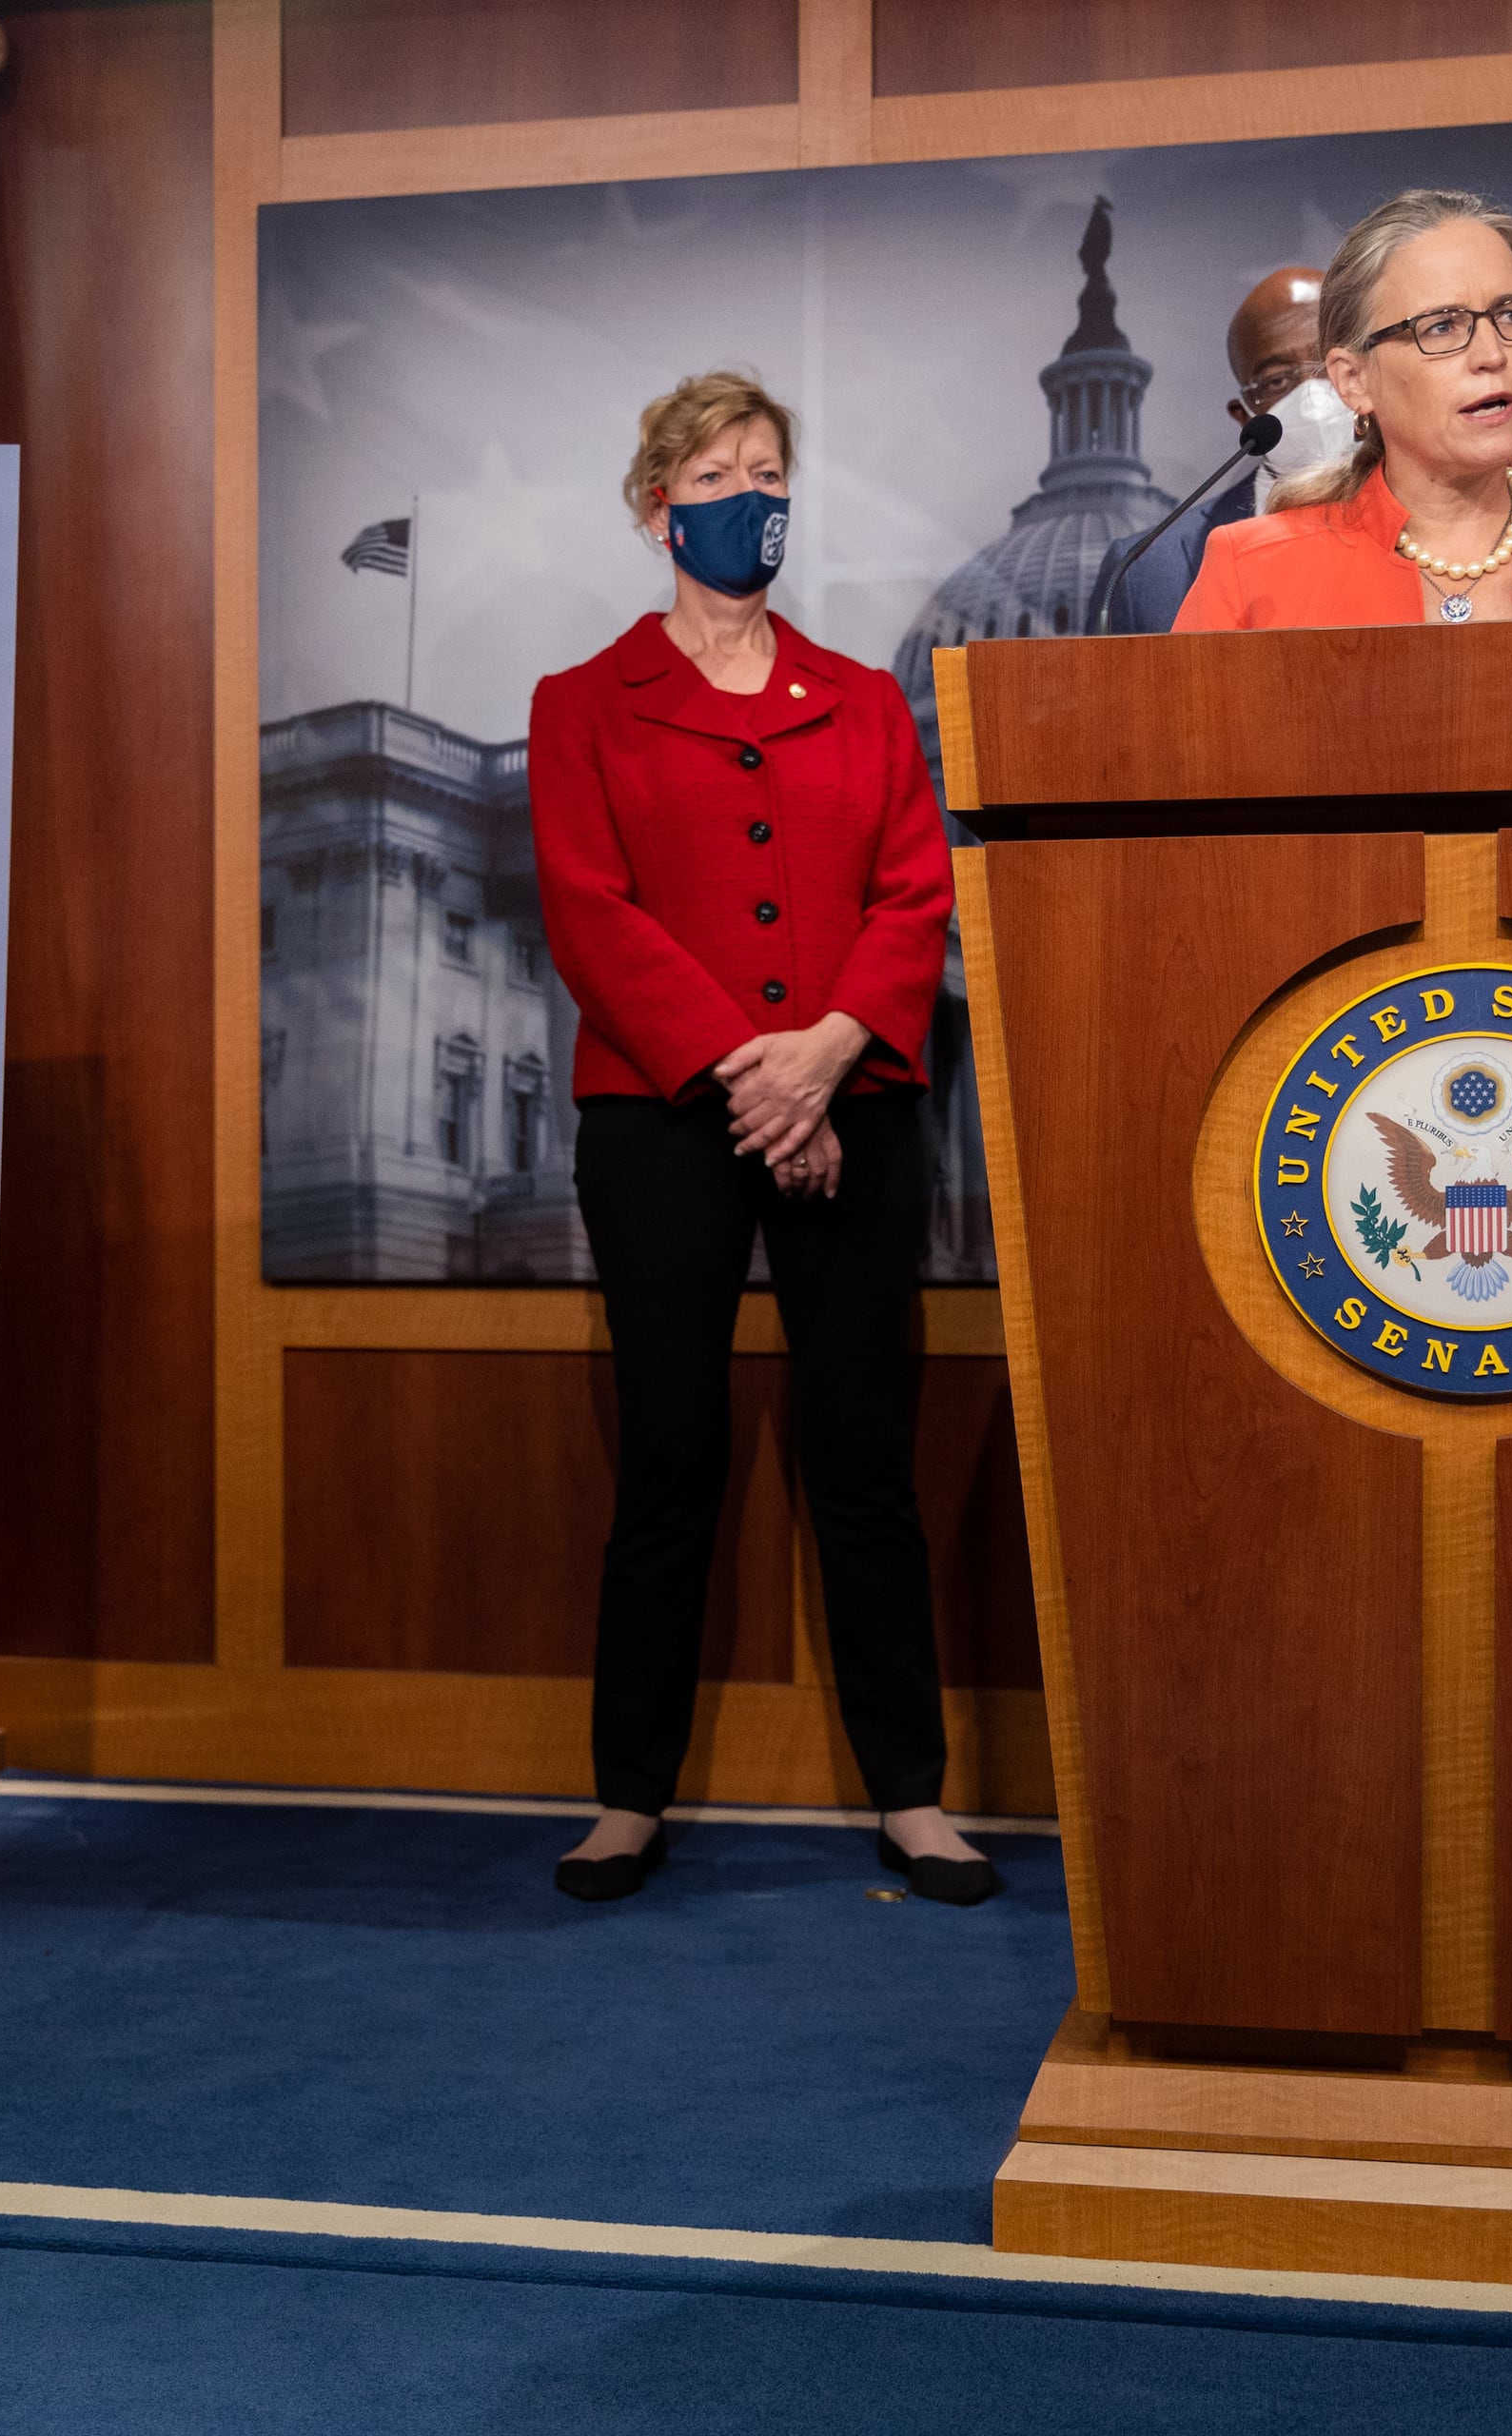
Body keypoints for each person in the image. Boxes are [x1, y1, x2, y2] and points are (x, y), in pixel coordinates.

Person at [524, 371, 991, 1908]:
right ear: (658, 504)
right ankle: (628, 1797)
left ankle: (912, 1798)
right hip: (664, 1116)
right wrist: (752, 1075)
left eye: (772, 470)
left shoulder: (862, 700)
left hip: (852, 1101)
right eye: (722, 472)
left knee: (864, 1460)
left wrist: (828, 1054)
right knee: (670, 1455)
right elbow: (591, 915)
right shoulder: (583, 703)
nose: (753, 496)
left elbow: (913, 895)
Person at [1173, 189, 1512, 629]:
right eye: (1441, 326)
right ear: (1354, 380)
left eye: (1511, 315)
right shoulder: (1251, 575)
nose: (1492, 354)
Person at [1099, 264, 1344, 635]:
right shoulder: (1146, 573)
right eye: (1277, 380)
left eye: (1328, 366)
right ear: (1243, 417)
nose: (1312, 399)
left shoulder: (1447, 525)